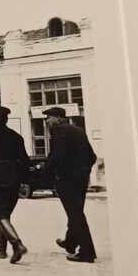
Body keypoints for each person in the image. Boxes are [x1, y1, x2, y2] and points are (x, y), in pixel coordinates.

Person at [42, 106, 98, 263]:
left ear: (58, 118)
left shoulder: (58, 131)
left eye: (48, 118)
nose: (46, 122)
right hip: (81, 179)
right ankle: (70, 242)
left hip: (67, 180)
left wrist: (46, 173)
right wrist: (83, 172)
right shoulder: (78, 130)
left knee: (76, 215)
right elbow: (92, 156)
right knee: (76, 211)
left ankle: (87, 252)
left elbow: (57, 157)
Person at [0, 106, 29, 263]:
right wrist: (24, 181)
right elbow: (25, 161)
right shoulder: (16, 137)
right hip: (14, 178)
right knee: (5, 213)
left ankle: (16, 243)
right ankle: (2, 249)